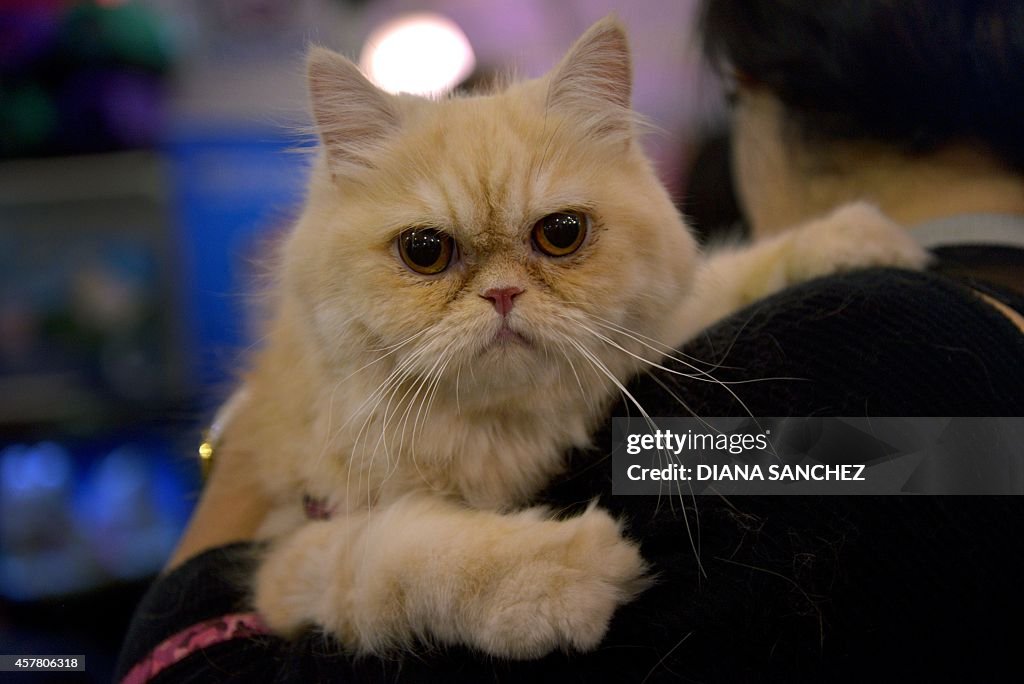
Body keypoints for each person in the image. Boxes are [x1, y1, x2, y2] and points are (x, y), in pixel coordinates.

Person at [117, 2, 1024, 681]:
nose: (504, 291)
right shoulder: (957, 338)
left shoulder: (878, 353)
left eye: (559, 237)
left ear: (757, 95)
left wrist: (225, 501)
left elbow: (776, 457)